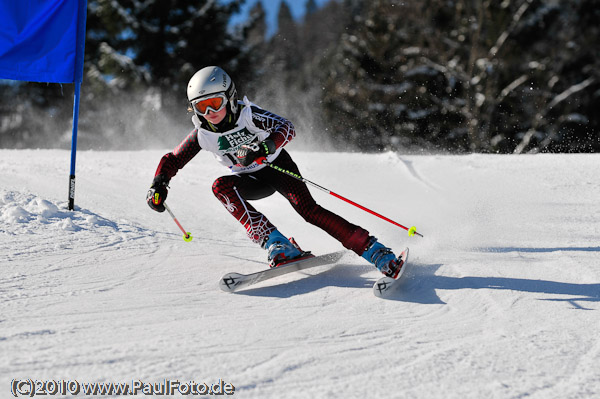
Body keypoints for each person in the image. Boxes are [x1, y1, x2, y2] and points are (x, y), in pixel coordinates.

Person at [146, 66, 403, 278]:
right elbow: (173, 159)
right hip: (250, 179)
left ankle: (376, 251)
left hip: (278, 168)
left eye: (214, 103)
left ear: (229, 96)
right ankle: (276, 243)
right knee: (220, 187)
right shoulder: (202, 134)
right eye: (201, 107)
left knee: (309, 211)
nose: (210, 113)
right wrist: (159, 183)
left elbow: (287, 127)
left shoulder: (249, 115)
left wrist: (265, 147)